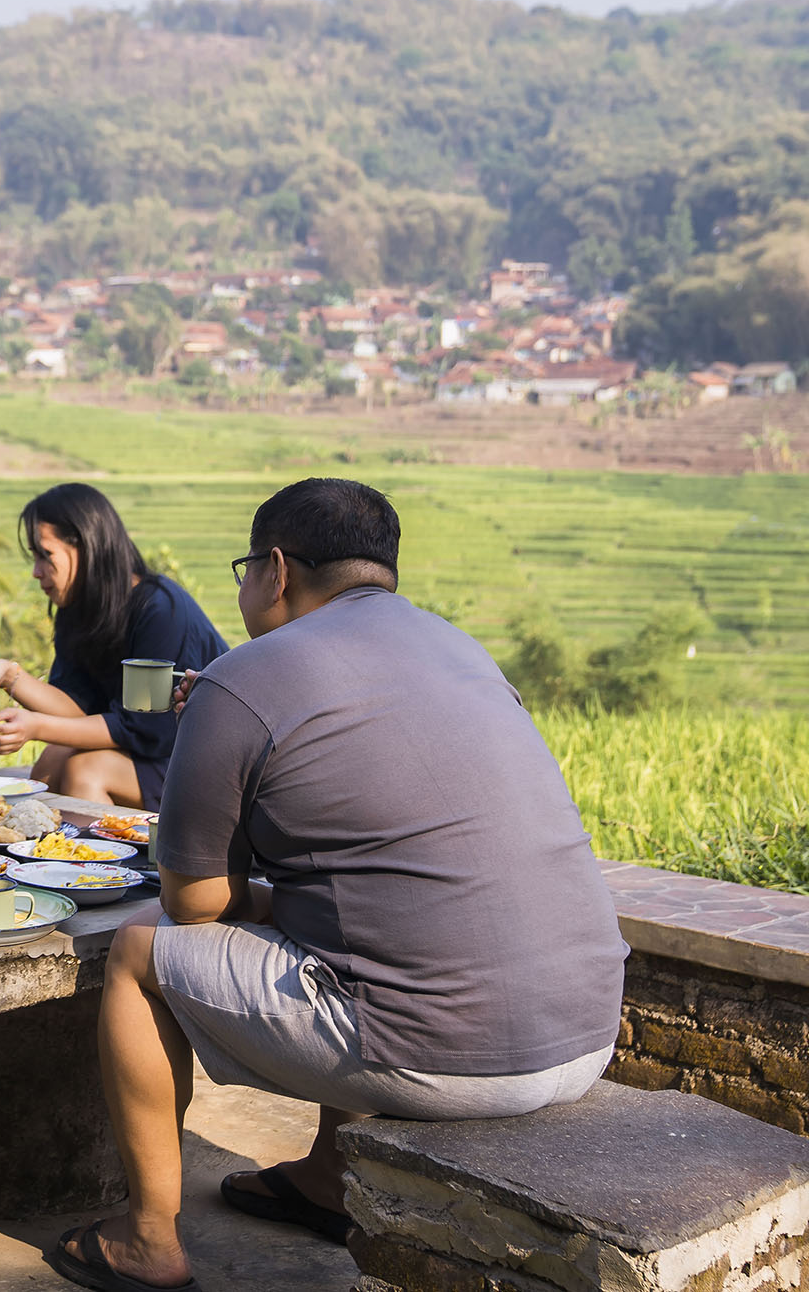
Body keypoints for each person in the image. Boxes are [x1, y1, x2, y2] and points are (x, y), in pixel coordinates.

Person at [47, 478, 628, 1292]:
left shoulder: (240, 677)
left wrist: (256, 894)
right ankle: (327, 1179)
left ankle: (147, 1236)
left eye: (246, 569)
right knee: (350, 918)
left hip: (443, 1055)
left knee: (138, 952)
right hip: (587, 1032)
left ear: (276, 570)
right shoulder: (465, 650)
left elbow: (193, 904)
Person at [0, 482, 226, 810]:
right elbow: (77, 712)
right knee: (54, 757)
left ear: (87, 546)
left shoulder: (159, 609)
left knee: (87, 770)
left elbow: (144, 730)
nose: (36, 572)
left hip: (201, 764)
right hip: (146, 756)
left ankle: (103, 862)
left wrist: (35, 726)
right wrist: (9, 677)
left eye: (45, 555)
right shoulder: (78, 610)